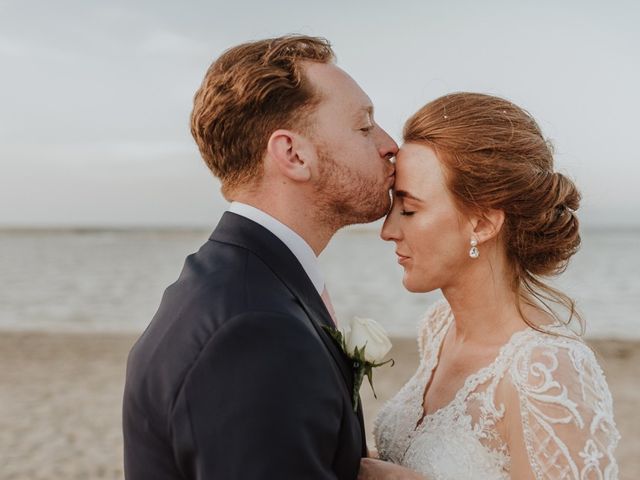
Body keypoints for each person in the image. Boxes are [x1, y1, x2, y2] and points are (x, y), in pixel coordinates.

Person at [122, 35, 397, 479]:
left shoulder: (239, 284)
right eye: (364, 127)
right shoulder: (254, 330)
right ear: (292, 154)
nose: (390, 145)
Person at [359, 93, 620, 479]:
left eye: (409, 210)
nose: (388, 231)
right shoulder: (439, 327)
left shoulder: (544, 368)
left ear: (481, 224)